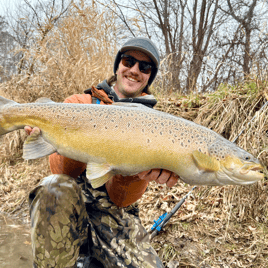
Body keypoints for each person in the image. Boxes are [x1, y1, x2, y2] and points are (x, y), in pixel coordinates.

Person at [25, 37, 179, 268]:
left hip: (116, 216)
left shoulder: (156, 125)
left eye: (144, 66)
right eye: (129, 61)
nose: (134, 70)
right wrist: (82, 141)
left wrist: (134, 167)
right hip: (67, 208)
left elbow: (121, 199)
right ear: (118, 65)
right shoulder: (79, 102)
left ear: (149, 76)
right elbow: (60, 172)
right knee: (52, 187)